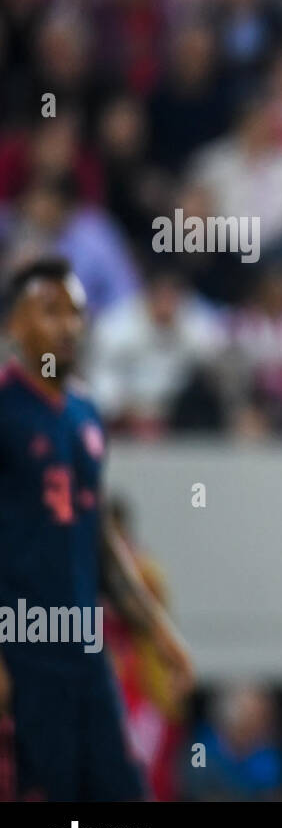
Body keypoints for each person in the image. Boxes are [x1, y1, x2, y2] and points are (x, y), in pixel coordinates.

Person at [0, 257, 194, 800]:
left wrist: (156, 629)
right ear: (14, 325)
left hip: (86, 649)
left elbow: (99, 535)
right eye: (49, 311)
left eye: (76, 313)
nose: (67, 326)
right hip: (24, 645)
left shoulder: (85, 411)